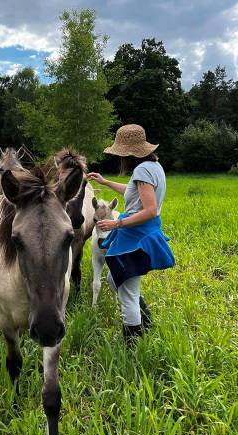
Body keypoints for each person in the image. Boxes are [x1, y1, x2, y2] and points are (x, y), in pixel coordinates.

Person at [87, 124, 175, 345]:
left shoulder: (142, 170)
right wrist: (105, 182)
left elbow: (150, 209)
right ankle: (145, 319)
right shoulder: (154, 167)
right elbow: (133, 191)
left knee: (126, 293)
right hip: (141, 232)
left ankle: (132, 347)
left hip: (136, 235)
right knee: (114, 278)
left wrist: (118, 223)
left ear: (128, 153)